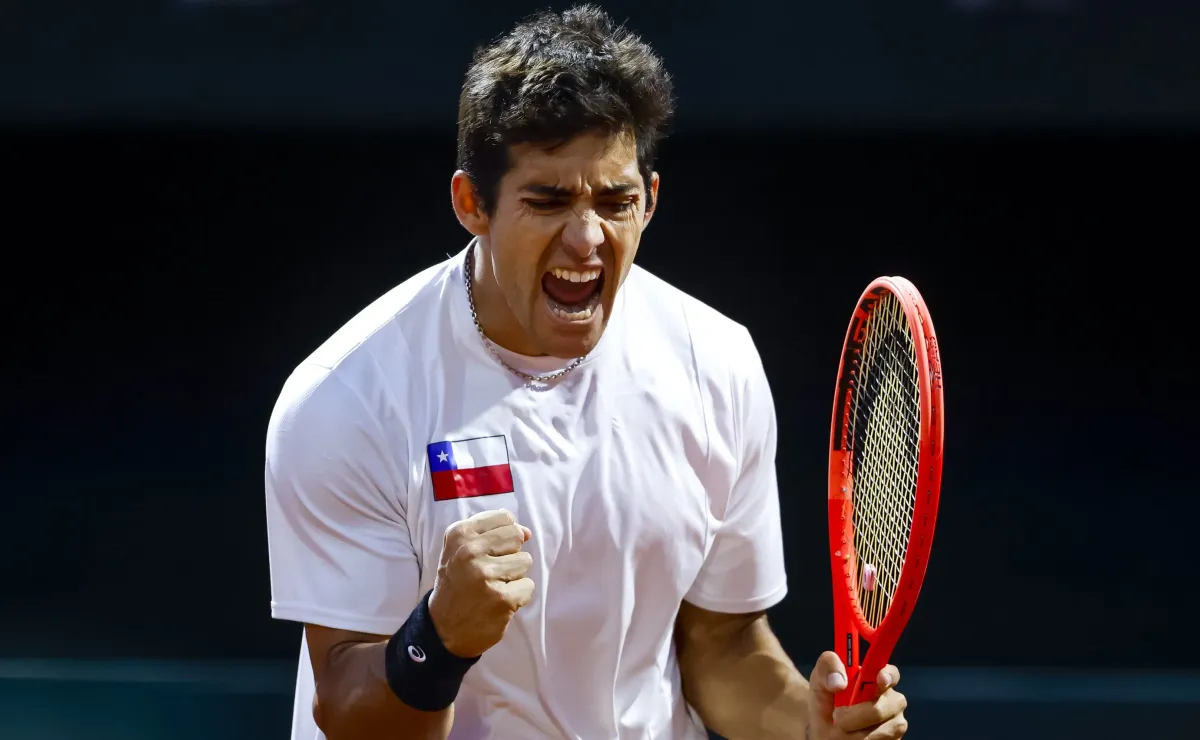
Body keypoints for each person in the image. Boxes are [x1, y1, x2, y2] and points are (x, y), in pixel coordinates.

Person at [264, 5, 909, 739]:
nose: (586, 238)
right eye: (548, 202)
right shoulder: (347, 397)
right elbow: (347, 714)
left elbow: (722, 646)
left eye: (615, 201)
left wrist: (811, 725)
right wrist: (436, 642)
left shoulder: (717, 364)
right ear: (472, 204)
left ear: (650, 201)